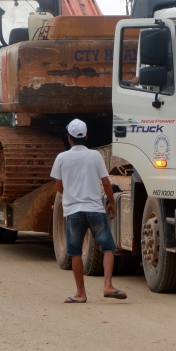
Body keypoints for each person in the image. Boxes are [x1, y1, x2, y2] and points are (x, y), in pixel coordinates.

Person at [50, 119, 124, 303]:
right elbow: (106, 182)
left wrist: (71, 196)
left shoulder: (61, 158)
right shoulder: (95, 156)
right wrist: (112, 203)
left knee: (75, 252)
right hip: (95, 209)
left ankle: (80, 294)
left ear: (69, 138)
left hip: (74, 211)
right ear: (86, 137)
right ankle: (107, 285)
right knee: (108, 247)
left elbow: (59, 186)